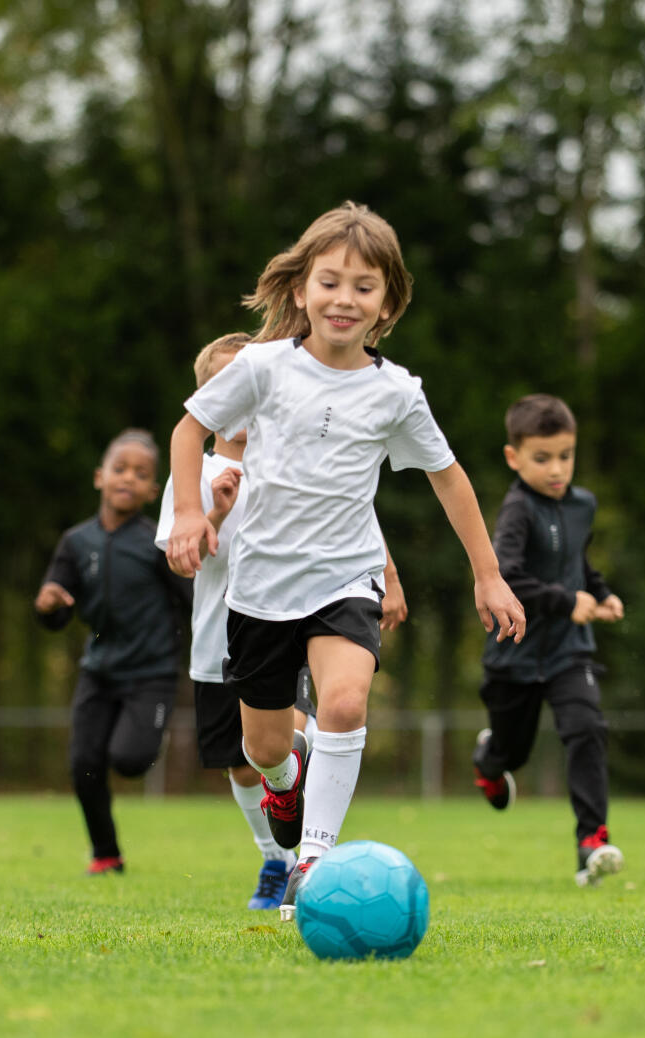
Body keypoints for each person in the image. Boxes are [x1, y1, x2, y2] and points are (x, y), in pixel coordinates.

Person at [165, 201, 526, 920]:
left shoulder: (397, 393)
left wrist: (488, 573)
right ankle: (286, 780)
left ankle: (313, 860)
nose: (344, 298)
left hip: (345, 576)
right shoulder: (264, 368)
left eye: (364, 286)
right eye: (330, 281)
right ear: (301, 289)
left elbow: (449, 478)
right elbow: (190, 428)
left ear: (387, 303)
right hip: (260, 586)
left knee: (345, 701)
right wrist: (186, 513)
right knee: (265, 747)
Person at [157, 332, 411, 910]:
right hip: (218, 640)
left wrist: (389, 578)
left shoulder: (296, 452)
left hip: (296, 621)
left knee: (314, 720)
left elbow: (354, 515)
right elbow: (184, 557)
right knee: (248, 763)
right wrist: (213, 513)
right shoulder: (193, 473)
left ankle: (306, 861)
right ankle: (273, 854)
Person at [471, 394, 628, 886]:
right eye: (543, 458)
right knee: (512, 752)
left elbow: (578, 563)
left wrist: (600, 593)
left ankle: (592, 843)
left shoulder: (583, 506)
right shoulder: (517, 511)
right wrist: (566, 600)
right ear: (514, 458)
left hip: (568, 650)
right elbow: (507, 575)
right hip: (513, 653)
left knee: (586, 728)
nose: (557, 468)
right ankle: (490, 761)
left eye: (566, 456)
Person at [35, 430, 191, 876]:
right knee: (83, 763)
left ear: (153, 490)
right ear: (99, 477)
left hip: (153, 673)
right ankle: (106, 854)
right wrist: (46, 605)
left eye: (141, 474)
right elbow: (54, 611)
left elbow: (193, 602)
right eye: (120, 469)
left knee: (129, 759)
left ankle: (145, 736)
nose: (128, 478)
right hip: (98, 671)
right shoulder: (75, 542)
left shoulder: (158, 543)